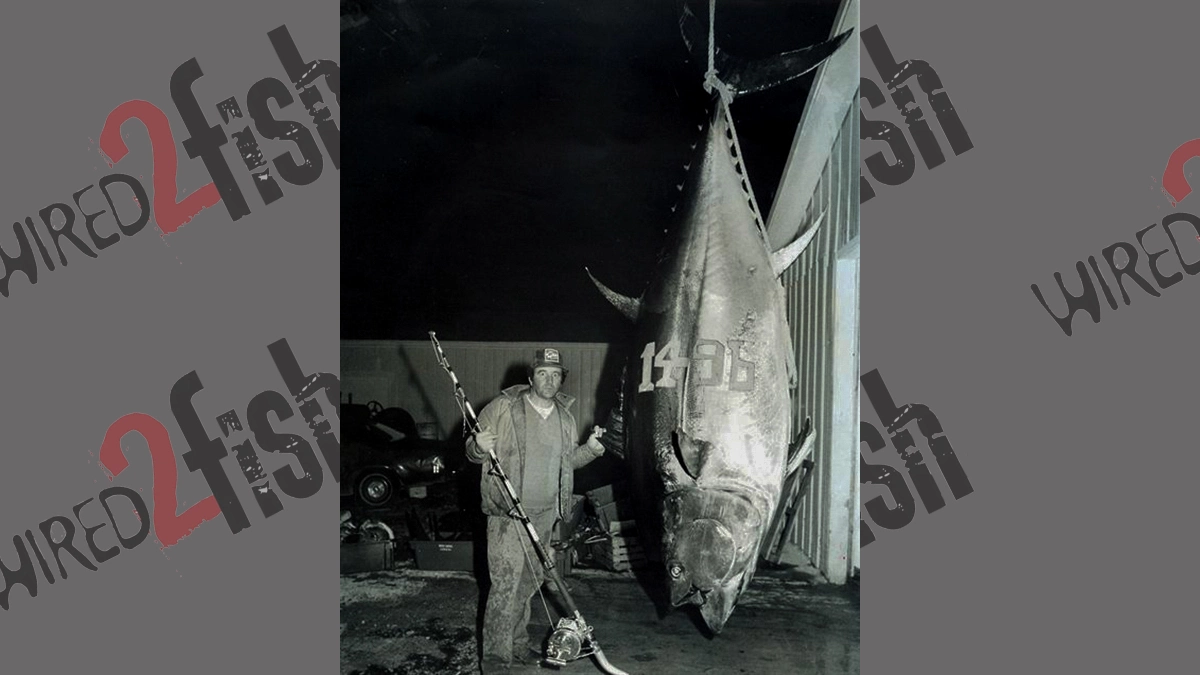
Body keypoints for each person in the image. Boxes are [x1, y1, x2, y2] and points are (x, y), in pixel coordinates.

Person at [465, 347, 606, 673]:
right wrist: (477, 447)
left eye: (556, 374)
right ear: (531, 377)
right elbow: (473, 450)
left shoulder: (565, 417)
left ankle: (515, 646)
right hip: (508, 514)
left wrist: (593, 450)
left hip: (545, 515)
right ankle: (497, 661)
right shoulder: (502, 407)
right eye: (543, 373)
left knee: (528, 584)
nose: (549, 379)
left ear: (561, 379)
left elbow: (569, 461)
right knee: (504, 586)